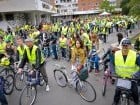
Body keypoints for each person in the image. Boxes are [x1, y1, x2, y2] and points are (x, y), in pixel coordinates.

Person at [112, 38, 140, 105]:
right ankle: (115, 101)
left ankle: (136, 102)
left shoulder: (135, 55)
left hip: (131, 78)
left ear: (130, 46)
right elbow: (112, 64)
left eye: (127, 45)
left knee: (135, 92)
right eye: (123, 45)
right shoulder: (116, 54)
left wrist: (136, 75)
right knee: (117, 91)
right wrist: (113, 72)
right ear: (121, 46)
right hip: (120, 77)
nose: (125, 47)